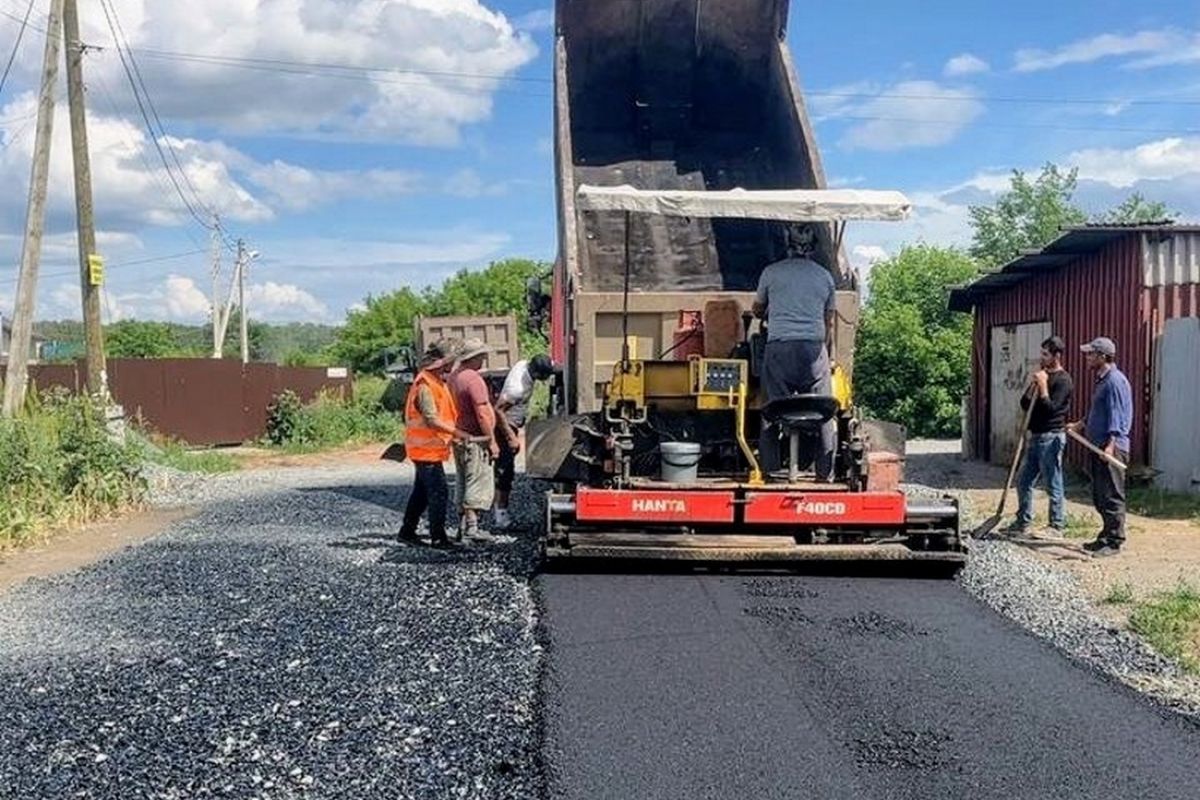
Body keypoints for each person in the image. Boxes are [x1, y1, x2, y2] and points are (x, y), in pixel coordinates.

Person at [752, 226, 837, 480]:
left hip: (780, 349)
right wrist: (828, 355)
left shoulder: (771, 273)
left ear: (787, 245)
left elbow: (757, 310)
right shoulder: (825, 277)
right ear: (813, 248)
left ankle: (769, 470)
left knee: (771, 410)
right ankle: (825, 473)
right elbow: (829, 320)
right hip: (814, 351)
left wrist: (770, 309)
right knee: (824, 412)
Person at [398, 339, 464, 549]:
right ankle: (438, 537)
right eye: (450, 362)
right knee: (438, 491)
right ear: (441, 364)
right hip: (425, 450)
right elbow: (431, 419)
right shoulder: (426, 384)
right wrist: (457, 432)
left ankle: (407, 531)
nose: (453, 366)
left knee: (422, 491)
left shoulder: (435, 382)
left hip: (427, 448)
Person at [1070, 336, 1132, 557]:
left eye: (1091, 354)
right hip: (1099, 446)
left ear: (1103, 356)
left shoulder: (1115, 381)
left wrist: (1111, 445)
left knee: (1112, 495)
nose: (1087, 357)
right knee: (1099, 494)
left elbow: (1118, 415)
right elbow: (1098, 411)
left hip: (1110, 448)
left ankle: (1114, 541)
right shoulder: (1102, 381)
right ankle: (1105, 536)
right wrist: (1079, 424)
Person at [1005, 336, 1074, 536]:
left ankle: (1057, 525)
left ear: (1056, 356)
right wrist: (1034, 385)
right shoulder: (1041, 376)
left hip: (1052, 436)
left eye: (1046, 354)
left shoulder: (1063, 380)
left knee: (1053, 482)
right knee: (1024, 480)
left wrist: (1044, 387)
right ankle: (1023, 521)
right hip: (1035, 437)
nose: (1041, 357)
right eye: (1041, 353)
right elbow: (1025, 404)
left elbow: (1051, 410)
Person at [492, 354, 555, 530]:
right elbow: (499, 411)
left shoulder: (523, 363)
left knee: (505, 468)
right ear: (536, 373)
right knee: (505, 470)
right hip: (505, 426)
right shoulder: (516, 389)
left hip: (513, 423)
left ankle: (499, 510)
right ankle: (500, 515)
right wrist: (511, 437)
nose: (545, 380)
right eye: (544, 376)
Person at [449, 338, 501, 542]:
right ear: (474, 357)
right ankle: (472, 528)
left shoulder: (454, 376)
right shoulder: (473, 379)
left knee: (462, 479)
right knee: (477, 480)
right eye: (482, 355)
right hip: (476, 438)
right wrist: (491, 440)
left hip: (460, 436)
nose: (484, 359)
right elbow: (482, 413)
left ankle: (462, 527)